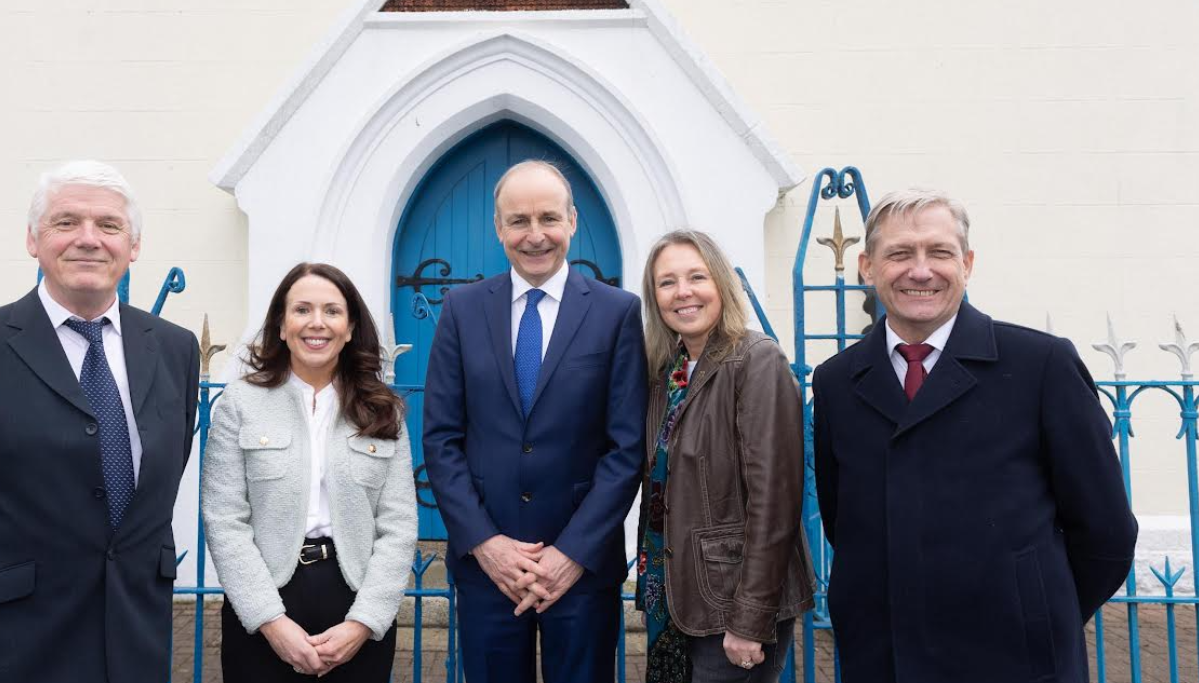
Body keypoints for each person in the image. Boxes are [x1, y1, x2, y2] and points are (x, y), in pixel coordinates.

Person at [0, 160, 200, 682]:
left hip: (133, 640)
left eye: (108, 225)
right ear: (33, 240)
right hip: (12, 643)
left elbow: (161, 479)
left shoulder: (174, 348)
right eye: (65, 222)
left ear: (134, 246)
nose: (88, 239)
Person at [812, 188, 1138, 683]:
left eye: (939, 252)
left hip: (1016, 661)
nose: (920, 271)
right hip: (885, 659)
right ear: (867, 267)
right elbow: (843, 519)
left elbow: (1106, 531)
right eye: (899, 253)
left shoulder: (1040, 366)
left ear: (966, 263)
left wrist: (1037, 609)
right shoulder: (837, 380)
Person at [422, 159, 648, 683]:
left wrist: (572, 553)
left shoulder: (617, 313)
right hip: (487, 571)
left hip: (582, 570)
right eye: (519, 221)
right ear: (499, 229)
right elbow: (440, 438)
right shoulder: (461, 308)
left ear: (571, 220)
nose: (535, 235)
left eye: (549, 217)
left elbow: (626, 447)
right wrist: (485, 544)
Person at [201, 262, 416, 682]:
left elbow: (399, 525)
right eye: (301, 310)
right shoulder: (240, 404)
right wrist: (270, 621)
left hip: (354, 597)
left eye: (332, 311)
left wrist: (363, 622)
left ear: (351, 327)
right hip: (265, 600)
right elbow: (224, 519)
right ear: (281, 325)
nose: (316, 323)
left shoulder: (382, 409)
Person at [636, 230, 815, 683]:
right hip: (672, 596)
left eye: (697, 276)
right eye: (667, 282)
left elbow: (775, 503)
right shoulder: (668, 372)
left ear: (720, 283)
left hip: (731, 603)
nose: (683, 293)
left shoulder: (756, 361)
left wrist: (750, 618)